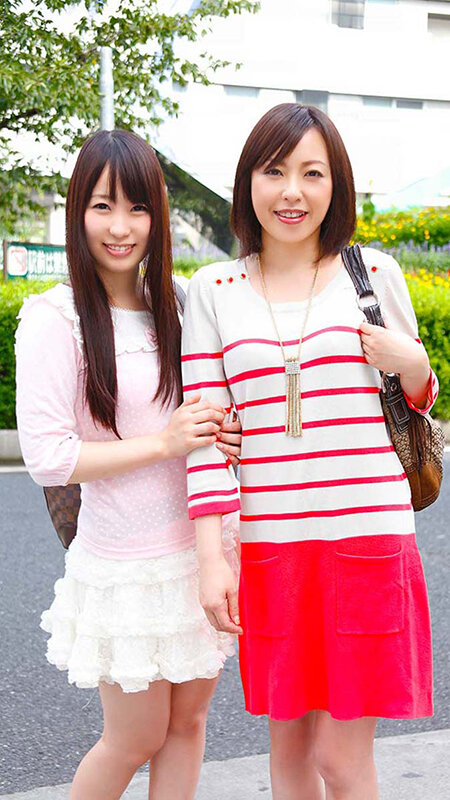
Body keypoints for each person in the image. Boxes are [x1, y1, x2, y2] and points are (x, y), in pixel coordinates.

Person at [181, 103, 438, 800]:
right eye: (274, 171)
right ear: (248, 182)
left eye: (312, 173)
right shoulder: (214, 290)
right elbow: (203, 436)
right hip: (272, 544)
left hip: (368, 536)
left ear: (336, 184)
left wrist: (414, 363)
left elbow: (418, 400)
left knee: (340, 759)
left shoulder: (372, 273)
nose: (291, 191)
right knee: (290, 751)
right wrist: (212, 558)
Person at [15, 129, 242, 800]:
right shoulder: (55, 318)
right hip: (125, 567)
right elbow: (49, 457)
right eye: (102, 206)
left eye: (138, 208)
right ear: (77, 212)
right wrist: (166, 443)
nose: (121, 227)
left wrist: (221, 431)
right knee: (134, 738)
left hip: (203, 547)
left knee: (189, 724)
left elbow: (206, 411)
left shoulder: (180, 301)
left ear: (158, 215)